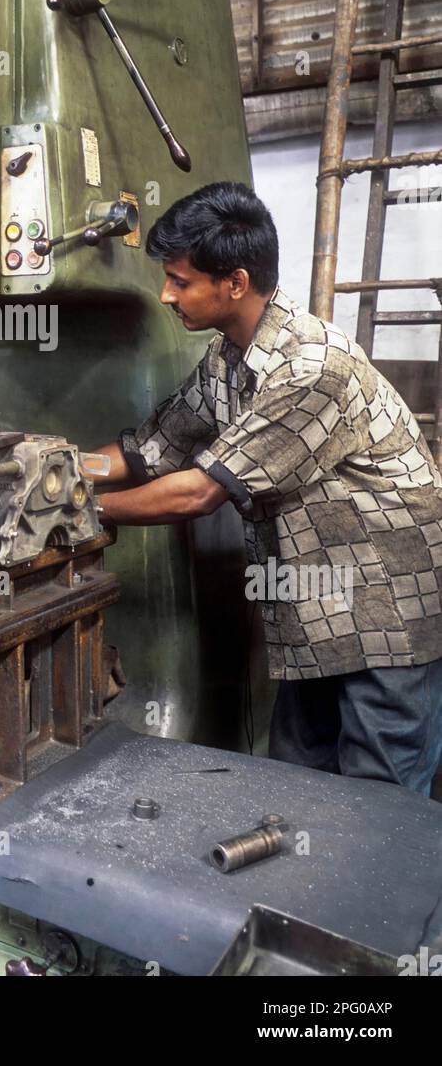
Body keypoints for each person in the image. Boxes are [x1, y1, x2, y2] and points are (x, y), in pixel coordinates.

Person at [87, 181, 442, 795]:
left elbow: (199, 492)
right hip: (313, 608)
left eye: (179, 281)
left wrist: (77, 511)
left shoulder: (311, 367)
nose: (166, 294)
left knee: (383, 807)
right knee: (299, 785)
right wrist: (54, 469)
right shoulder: (229, 359)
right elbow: (151, 449)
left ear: (235, 282)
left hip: (388, 610)